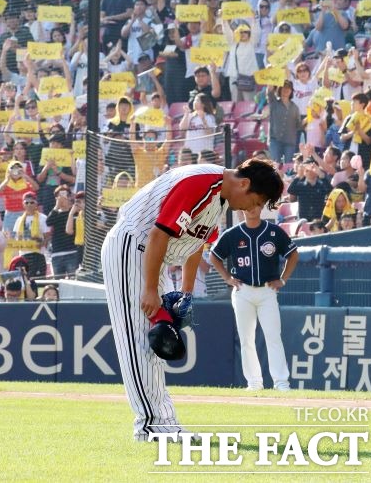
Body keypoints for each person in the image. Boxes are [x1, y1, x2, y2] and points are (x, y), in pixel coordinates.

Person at [101, 158, 284, 440]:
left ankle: (164, 423)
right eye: (256, 200)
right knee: (137, 340)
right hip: (132, 247)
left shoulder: (221, 199)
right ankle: (151, 427)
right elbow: (158, 233)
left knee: (154, 342)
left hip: (150, 257)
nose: (254, 209)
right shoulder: (202, 182)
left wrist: (186, 292)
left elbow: (195, 244)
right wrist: (150, 289)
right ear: (244, 184)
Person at [210, 204, 298, 391]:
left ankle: (281, 383)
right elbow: (214, 255)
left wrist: (283, 279)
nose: (252, 208)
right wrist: (227, 278)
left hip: (267, 290)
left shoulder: (273, 231)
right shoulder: (233, 234)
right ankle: (254, 382)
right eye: (248, 205)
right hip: (243, 290)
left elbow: (293, 254)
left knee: (273, 336)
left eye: (256, 204)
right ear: (242, 209)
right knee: (246, 338)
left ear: (261, 207)